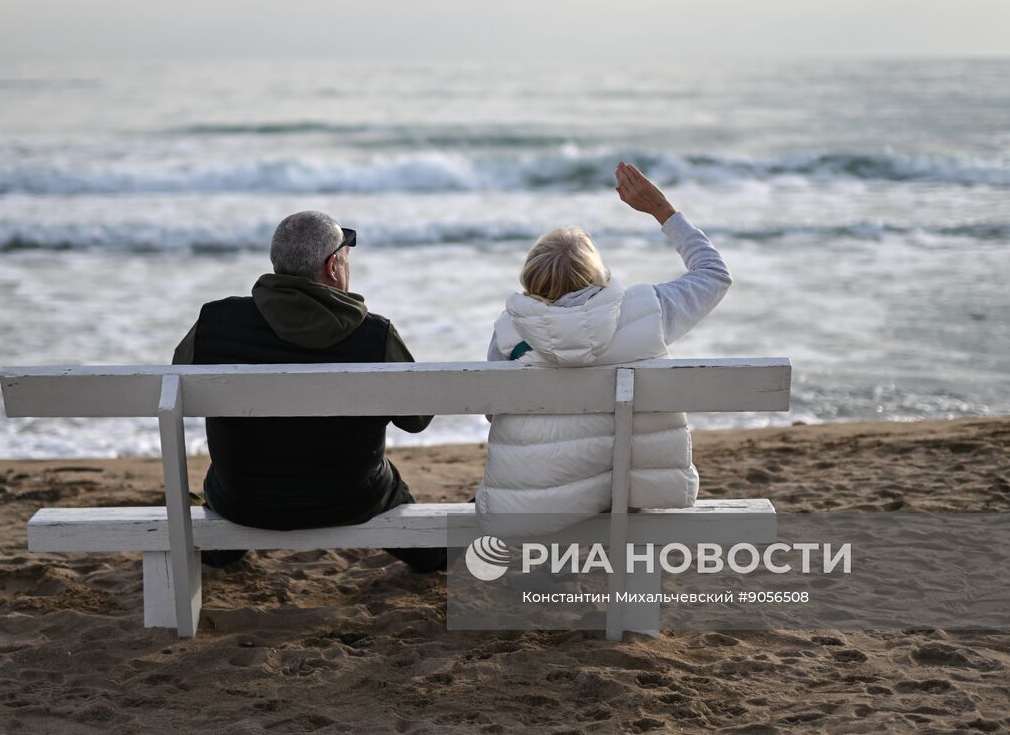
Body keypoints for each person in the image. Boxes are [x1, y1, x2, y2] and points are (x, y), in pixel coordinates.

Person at [173, 210, 446, 573]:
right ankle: (431, 557)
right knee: (386, 485)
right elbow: (417, 419)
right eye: (347, 253)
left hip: (242, 500)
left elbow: (179, 386)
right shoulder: (374, 336)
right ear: (333, 266)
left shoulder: (216, 323)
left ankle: (221, 551)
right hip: (351, 500)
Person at [474, 161, 732, 520]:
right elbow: (715, 274)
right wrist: (663, 211)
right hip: (634, 490)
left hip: (540, 499)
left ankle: (554, 569)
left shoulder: (509, 331)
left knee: (550, 476)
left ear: (530, 280)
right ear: (596, 275)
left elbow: (493, 411)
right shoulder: (647, 311)